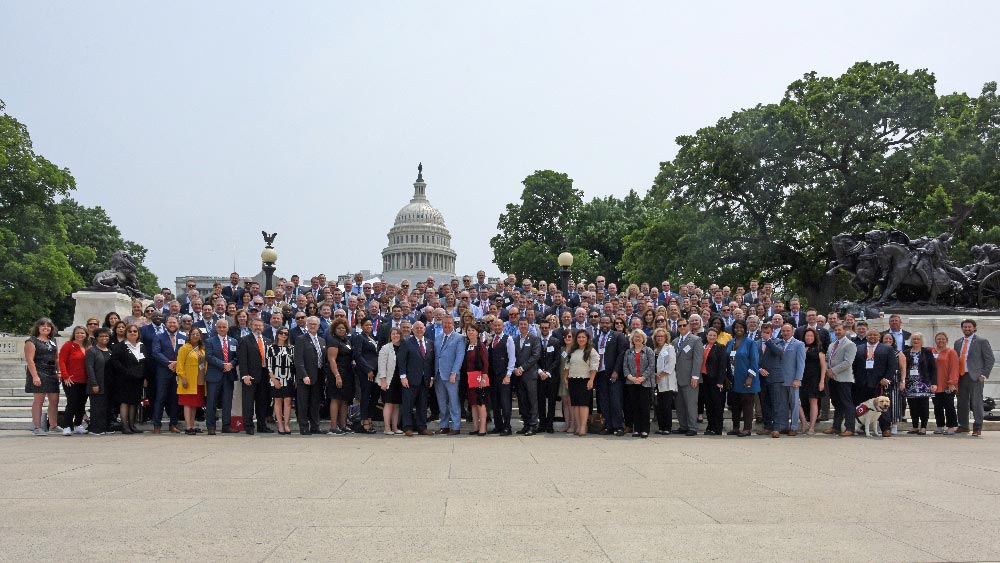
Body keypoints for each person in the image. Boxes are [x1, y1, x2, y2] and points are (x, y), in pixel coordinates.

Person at [954, 319, 995, 436]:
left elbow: (990, 359)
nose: (967, 329)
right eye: (965, 327)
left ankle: (977, 427)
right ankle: (963, 426)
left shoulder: (982, 341)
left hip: (976, 377)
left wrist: (983, 375)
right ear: (962, 328)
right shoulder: (958, 342)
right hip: (961, 376)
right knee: (962, 402)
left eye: (969, 327)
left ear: (974, 328)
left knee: (976, 402)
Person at [852, 329, 896, 437]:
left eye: (875, 335)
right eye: (870, 335)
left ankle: (886, 428)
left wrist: (887, 378)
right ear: (866, 337)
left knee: (882, 406)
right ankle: (860, 427)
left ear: (879, 336)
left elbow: (892, 366)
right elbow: (854, 365)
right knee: (862, 406)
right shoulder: (859, 348)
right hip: (861, 383)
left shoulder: (887, 349)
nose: (872, 336)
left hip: (878, 383)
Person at [397, 320, 435, 436]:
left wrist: (432, 377)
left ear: (425, 329)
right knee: (408, 404)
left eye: (421, 328)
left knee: (422, 405)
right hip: (410, 379)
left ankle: (422, 427)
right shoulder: (406, 342)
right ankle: (407, 427)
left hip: (425, 380)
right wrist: (403, 377)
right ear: (413, 330)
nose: (419, 330)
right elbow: (401, 361)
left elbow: (431, 362)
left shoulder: (429, 343)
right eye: (416, 328)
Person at [25, 318, 61, 435]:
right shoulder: (31, 341)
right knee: (39, 400)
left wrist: (59, 372)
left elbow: (56, 358)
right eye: (43, 325)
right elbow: (30, 360)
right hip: (38, 371)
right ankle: (37, 427)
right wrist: (35, 376)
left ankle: (53, 425)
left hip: (51, 372)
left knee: (54, 400)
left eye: (48, 326)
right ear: (38, 327)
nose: (46, 328)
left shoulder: (53, 340)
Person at [109, 324, 147, 434]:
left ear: (138, 333)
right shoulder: (120, 346)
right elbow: (115, 362)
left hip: (138, 379)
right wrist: (127, 372)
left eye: (135, 331)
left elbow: (145, 363)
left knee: (134, 402)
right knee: (125, 402)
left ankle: (132, 425)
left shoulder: (142, 346)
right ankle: (125, 426)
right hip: (124, 379)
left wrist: (144, 377)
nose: (133, 333)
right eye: (130, 331)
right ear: (126, 333)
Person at [237, 318, 273, 435]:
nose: (258, 328)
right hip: (250, 375)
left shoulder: (268, 341)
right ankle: (248, 426)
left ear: (263, 327)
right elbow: (242, 360)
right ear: (251, 327)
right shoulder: (245, 340)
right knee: (248, 402)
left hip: (264, 375)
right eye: (256, 325)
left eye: (260, 326)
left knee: (262, 402)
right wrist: (245, 375)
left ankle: (262, 425)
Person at [823, 323, 858, 437]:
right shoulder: (832, 345)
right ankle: (836, 427)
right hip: (832, 379)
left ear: (845, 331)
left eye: (839, 330)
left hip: (844, 379)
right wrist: (827, 370)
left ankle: (850, 428)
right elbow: (828, 359)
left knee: (847, 404)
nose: (837, 332)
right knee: (837, 404)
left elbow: (848, 362)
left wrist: (833, 370)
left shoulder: (850, 344)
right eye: (835, 330)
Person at [292, 316, 326, 435]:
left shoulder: (322, 340)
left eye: (315, 324)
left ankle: (315, 426)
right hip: (305, 377)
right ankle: (304, 427)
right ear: (307, 325)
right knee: (303, 403)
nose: (312, 326)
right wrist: (304, 375)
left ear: (318, 326)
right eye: (310, 324)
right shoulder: (301, 339)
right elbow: (298, 360)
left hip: (318, 376)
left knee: (315, 403)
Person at [594, 316, 627, 436]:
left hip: (614, 374)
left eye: (607, 323)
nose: (604, 325)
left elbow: (621, 354)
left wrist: (616, 371)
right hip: (600, 374)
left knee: (615, 401)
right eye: (602, 323)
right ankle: (608, 426)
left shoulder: (618, 336)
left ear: (611, 324)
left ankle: (618, 426)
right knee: (604, 401)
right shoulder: (596, 338)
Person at [725, 320, 759, 437]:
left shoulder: (750, 343)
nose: (738, 329)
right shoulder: (730, 343)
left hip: (746, 379)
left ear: (745, 329)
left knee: (747, 404)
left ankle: (747, 428)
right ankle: (735, 428)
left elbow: (754, 362)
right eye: (736, 327)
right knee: (735, 405)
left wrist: (750, 378)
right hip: (733, 379)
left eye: (741, 327)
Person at [150, 315, 182, 434]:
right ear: (166, 324)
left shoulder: (183, 337)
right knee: (160, 398)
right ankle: (156, 425)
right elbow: (156, 352)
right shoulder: (158, 337)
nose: (172, 325)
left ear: (178, 324)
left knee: (174, 399)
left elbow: (185, 353)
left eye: (174, 323)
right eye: (170, 323)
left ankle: (173, 424)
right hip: (163, 371)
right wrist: (168, 363)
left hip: (178, 372)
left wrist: (177, 363)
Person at [564, 330, 599, 436]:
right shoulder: (573, 351)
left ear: (587, 339)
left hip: (585, 379)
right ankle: (578, 426)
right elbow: (567, 365)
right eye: (579, 337)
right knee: (575, 404)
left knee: (583, 404)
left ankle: (583, 427)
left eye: (583, 337)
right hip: (573, 379)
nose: (581, 339)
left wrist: (591, 380)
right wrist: (565, 378)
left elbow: (594, 367)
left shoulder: (591, 351)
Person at [58, 326, 91, 435]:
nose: (80, 335)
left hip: (85, 380)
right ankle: (67, 426)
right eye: (77, 333)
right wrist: (65, 376)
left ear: (86, 334)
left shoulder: (88, 347)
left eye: (82, 333)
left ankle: (78, 424)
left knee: (82, 404)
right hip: (71, 380)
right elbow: (61, 361)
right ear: (74, 334)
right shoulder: (68, 345)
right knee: (72, 403)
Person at [622, 329, 655, 438]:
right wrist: (631, 377)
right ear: (632, 339)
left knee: (644, 407)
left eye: (639, 337)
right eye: (635, 337)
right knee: (634, 407)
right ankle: (636, 429)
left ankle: (645, 429)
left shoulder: (649, 350)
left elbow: (651, 366)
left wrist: (642, 378)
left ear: (643, 339)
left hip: (645, 383)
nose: (637, 338)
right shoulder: (628, 352)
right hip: (632, 383)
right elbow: (625, 366)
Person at [673, 318, 703, 436]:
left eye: (684, 325)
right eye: (679, 326)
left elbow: (698, 359)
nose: (682, 328)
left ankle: (692, 427)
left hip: (690, 378)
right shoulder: (675, 341)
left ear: (689, 326)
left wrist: (695, 376)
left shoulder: (696, 340)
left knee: (691, 404)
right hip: (677, 378)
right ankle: (683, 426)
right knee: (680, 405)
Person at [512, 318, 542, 436]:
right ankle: (525, 424)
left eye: (525, 324)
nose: (523, 326)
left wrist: (522, 368)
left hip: (530, 375)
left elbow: (535, 356)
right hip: (518, 376)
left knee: (532, 401)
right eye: (521, 324)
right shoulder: (514, 340)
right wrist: (515, 368)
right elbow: (512, 356)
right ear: (518, 326)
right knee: (522, 401)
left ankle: (533, 425)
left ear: (528, 326)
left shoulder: (534, 339)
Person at [325, 318, 355, 435]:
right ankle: (333, 427)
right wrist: (337, 375)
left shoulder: (346, 341)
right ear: (334, 329)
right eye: (339, 328)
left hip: (347, 374)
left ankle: (343, 425)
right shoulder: (333, 341)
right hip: (337, 373)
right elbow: (331, 359)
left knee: (344, 400)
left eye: (343, 328)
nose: (341, 330)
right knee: (336, 399)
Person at [175, 326, 207, 435]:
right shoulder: (184, 348)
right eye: (193, 334)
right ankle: (188, 427)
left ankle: (192, 425)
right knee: (187, 404)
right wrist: (183, 378)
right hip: (188, 380)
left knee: (195, 404)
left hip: (199, 380)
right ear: (189, 335)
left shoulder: (202, 349)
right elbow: (179, 365)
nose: (195, 336)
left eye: (197, 334)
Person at [486, 317, 515, 435]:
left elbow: (512, 359)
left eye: (499, 325)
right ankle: (498, 425)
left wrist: (508, 375)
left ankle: (507, 427)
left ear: (503, 327)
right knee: (495, 402)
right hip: (493, 375)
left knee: (505, 402)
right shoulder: (490, 340)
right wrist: (487, 345)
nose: (497, 327)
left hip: (504, 375)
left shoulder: (508, 339)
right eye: (495, 325)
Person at [903, 333, 937, 435]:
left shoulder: (927, 352)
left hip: (923, 383)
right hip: (910, 384)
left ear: (921, 341)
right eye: (914, 339)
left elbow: (933, 368)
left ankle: (923, 427)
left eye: (918, 339)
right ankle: (914, 426)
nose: (916, 341)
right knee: (912, 406)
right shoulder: (906, 352)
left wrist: (934, 383)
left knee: (923, 406)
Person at [352, 318, 380, 434]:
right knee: (365, 396)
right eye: (366, 325)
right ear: (362, 326)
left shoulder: (372, 338)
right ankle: (364, 421)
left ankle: (370, 417)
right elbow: (357, 355)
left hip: (376, 371)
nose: (369, 326)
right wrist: (367, 369)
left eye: (370, 324)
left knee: (374, 397)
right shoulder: (360, 337)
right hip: (366, 372)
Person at [266, 327, 296, 435]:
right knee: (278, 401)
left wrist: (294, 379)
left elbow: (294, 365)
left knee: (287, 401)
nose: (284, 335)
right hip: (276, 377)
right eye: (281, 333)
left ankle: (286, 424)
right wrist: (273, 379)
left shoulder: (291, 348)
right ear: (277, 334)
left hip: (288, 377)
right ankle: (280, 425)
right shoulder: (271, 348)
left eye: (286, 334)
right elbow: (268, 365)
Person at [462, 324, 490, 436]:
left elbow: (485, 363)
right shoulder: (467, 345)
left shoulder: (481, 346)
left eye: (473, 330)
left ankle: (482, 427)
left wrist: (484, 378)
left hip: (479, 377)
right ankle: (475, 427)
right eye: (469, 330)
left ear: (477, 333)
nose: (470, 332)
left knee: (480, 403)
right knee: (473, 403)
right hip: (469, 378)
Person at [85, 328, 113, 435]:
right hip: (97, 383)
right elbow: (89, 368)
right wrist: (94, 383)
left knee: (106, 407)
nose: (104, 338)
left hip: (108, 384)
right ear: (96, 338)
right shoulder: (92, 351)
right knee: (97, 407)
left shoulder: (109, 351)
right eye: (101, 336)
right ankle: (95, 428)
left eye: (106, 336)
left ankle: (104, 427)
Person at [798, 327, 826, 435]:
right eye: (807, 336)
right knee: (797, 401)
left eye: (811, 336)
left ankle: (812, 427)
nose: (809, 338)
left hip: (814, 378)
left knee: (813, 401)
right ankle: (804, 423)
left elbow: (823, 366)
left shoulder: (819, 349)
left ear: (814, 337)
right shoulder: (800, 347)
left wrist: (822, 381)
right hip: (801, 378)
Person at [700, 328, 728, 435]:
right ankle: (710, 427)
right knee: (708, 405)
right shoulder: (703, 347)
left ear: (717, 337)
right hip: (705, 379)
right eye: (710, 335)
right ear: (706, 336)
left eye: (714, 335)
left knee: (717, 405)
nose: (712, 337)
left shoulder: (720, 347)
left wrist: (720, 381)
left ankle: (717, 428)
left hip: (715, 380)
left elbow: (722, 365)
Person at [536, 319, 562, 433]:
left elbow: (557, 359)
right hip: (539, 376)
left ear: (550, 328)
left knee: (551, 402)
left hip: (552, 377)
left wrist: (548, 372)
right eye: (542, 328)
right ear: (540, 328)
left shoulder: (555, 341)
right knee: (541, 402)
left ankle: (550, 424)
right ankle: (542, 424)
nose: (544, 329)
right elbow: (534, 358)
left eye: (546, 327)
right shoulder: (536, 341)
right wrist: (540, 371)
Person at [932, 331, 960, 434]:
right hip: (935, 384)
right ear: (935, 340)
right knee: (937, 406)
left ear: (947, 341)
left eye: (943, 339)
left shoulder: (951, 352)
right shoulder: (932, 351)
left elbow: (954, 368)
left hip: (947, 384)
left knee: (949, 406)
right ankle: (940, 426)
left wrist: (952, 382)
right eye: (938, 339)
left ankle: (951, 426)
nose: (941, 341)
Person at [650, 328, 676, 435]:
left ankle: (667, 428)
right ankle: (661, 427)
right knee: (658, 406)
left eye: (662, 336)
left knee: (666, 406)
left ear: (666, 338)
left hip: (666, 380)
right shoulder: (654, 350)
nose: (660, 338)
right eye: (658, 336)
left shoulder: (670, 348)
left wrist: (660, 375)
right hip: (656, 381)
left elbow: (671, 364)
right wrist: (654, 375)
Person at [377, 327, 403, 435]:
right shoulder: (385, 348)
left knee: (396, 405)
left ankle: (395, 427)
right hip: (388, 380)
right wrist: (383, 381)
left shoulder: (402, 347)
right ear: (390, 336)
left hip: (399, 380)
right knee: (388, 404)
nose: (395, 336)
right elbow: (381, 365)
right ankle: (387, 428)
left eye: (397, 334)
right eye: (393, 334)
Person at [881, 331, 907, 434]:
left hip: (895, 380)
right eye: (885, 339)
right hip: (882, 380)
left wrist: (903, 381)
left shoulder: (899, 353)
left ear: (893, 341)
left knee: (895, 403)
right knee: (882, 402)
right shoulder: (879, 351)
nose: (887, 340)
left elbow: (903, 367)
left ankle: (894, 424)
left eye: (890, 339)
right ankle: (884, 424)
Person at [558, 329, 576, 433]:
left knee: (571, 403)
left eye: (569, 336)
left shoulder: (576, 350)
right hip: (562, 379)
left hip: (572, 379)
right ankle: (566, 424)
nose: (567, 338)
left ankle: (573, 425)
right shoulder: (562, 349)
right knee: (565, 403)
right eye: (565, 337)